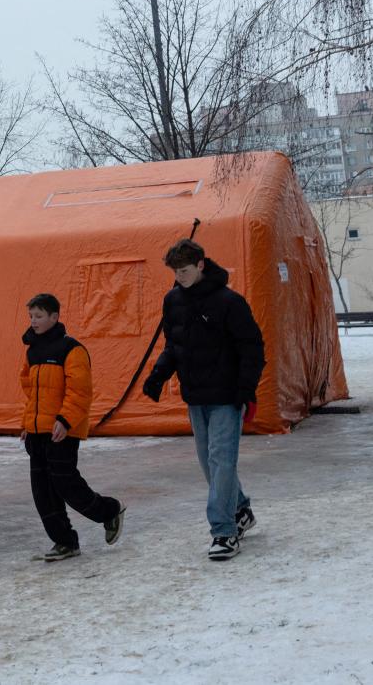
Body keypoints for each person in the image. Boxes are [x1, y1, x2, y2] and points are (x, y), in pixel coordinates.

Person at [141, 238, 267, 562]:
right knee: (209, 463)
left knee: (221, 460)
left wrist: (247, 391)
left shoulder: (229, 302)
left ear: (200, 265)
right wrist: (158, 376)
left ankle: (224, 532)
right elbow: (175, 346)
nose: (179, 276)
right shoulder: (173, 301)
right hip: (196, 396)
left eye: (184, 270)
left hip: (227, 396)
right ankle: (240, 510)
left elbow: (251, 348)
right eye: (175, 272)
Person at [19, 293, 126, 562]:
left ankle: (109, 510)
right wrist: (26, 424)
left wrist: (65, 421)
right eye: (31, 316)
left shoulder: (72, 350)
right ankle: (65, 542)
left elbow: (80, 393)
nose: (34, 321)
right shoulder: (32, 352)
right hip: (37, 432)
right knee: (42, 491)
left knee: (66, 484)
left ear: (55, 317)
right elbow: (31, 392)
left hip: (62, 431)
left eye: (39, 316)